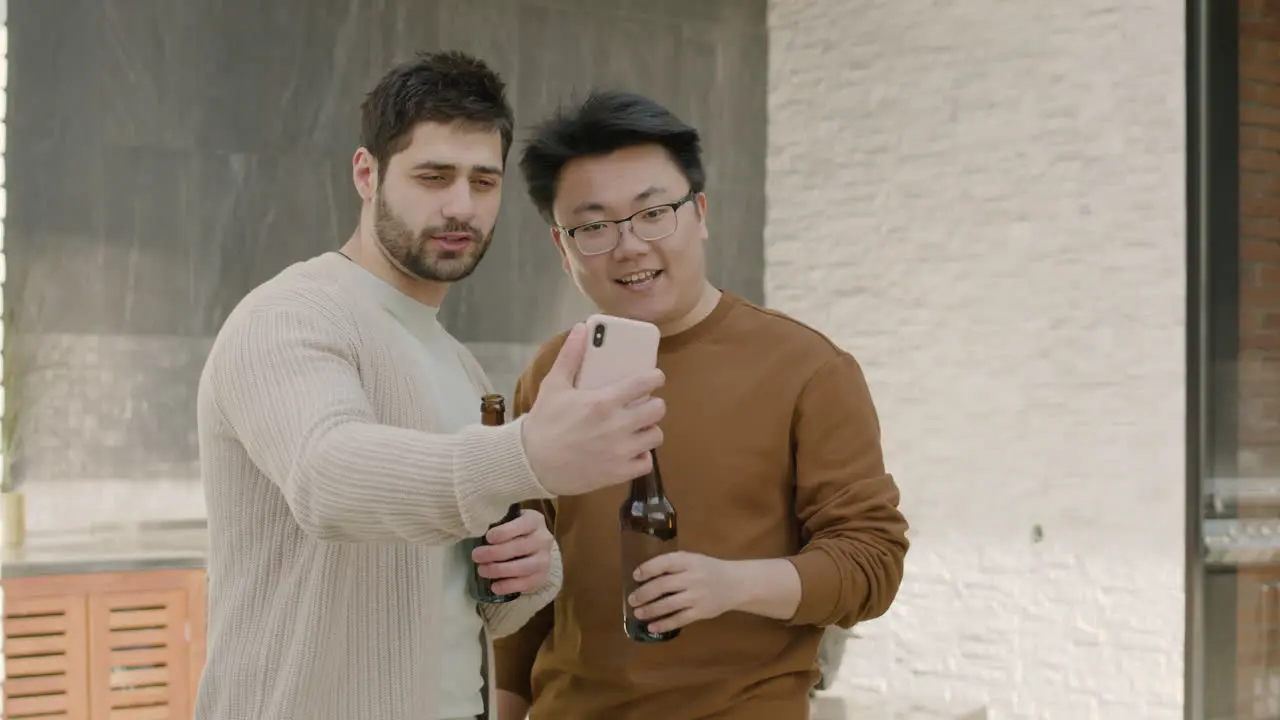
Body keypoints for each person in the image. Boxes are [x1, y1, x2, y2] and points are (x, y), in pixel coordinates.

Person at [195, 54, 667, 720]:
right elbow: (328, 478)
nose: (460, 206)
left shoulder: (460, 366)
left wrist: (524, 574)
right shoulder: (289, 316)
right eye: (433, 176)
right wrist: (524, 455)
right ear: (367, 174)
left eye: (483, 181)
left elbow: (464, 602)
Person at [493, 90, 910, 720]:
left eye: (653, 212)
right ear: (563, 246)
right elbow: (526, 586)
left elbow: (872, 561)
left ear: (700, 213)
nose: (628, 245)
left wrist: (732, 584)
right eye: (594, 226)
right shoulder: (553, 376)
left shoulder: (809, 368)